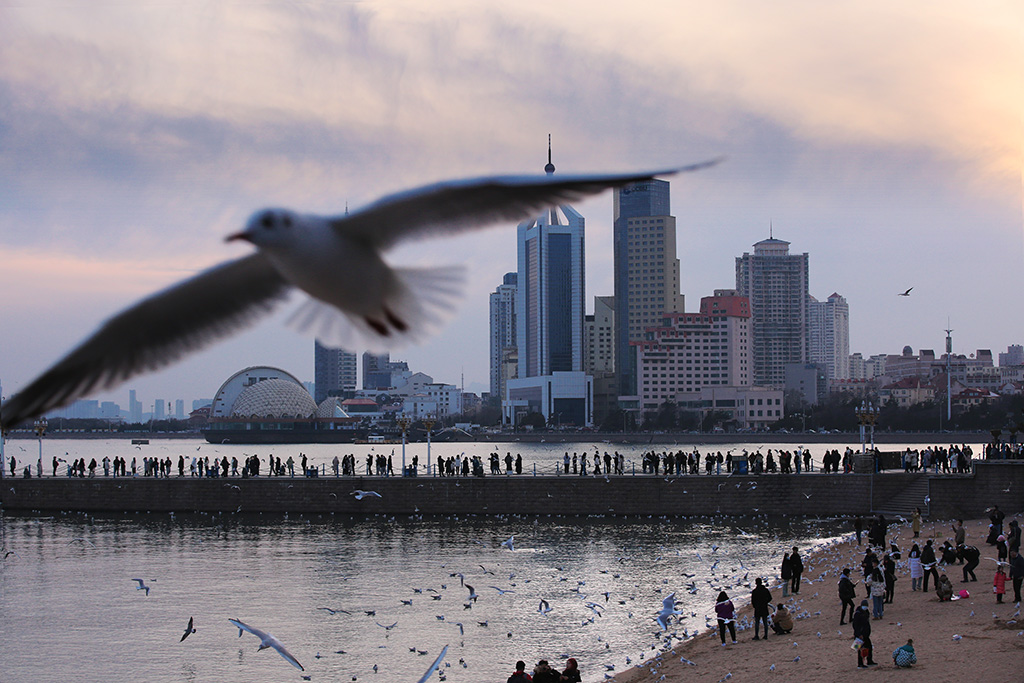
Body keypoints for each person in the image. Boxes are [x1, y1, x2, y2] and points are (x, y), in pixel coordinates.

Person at [852, 600, 876, 668]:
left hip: (865, 635)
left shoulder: (866, 612)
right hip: (859, 635)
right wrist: (859, 634)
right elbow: (855, 625)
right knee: (859, 650)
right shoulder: (857, 614)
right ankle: (860, 664)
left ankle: (869, 661)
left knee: (869, 647)